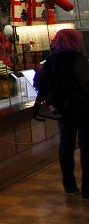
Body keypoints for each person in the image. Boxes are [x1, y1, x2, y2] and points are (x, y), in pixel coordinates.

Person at [33, 28, 89, 199]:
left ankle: (69, 184)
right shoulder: (78, 60)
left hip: (63, 111)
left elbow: (39, 82)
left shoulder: (50, 61)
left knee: (66, 146)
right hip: (84, 110)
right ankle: (87, 188)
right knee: (86, 149)